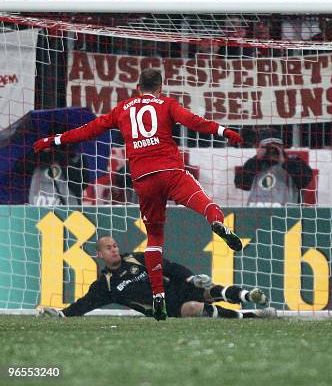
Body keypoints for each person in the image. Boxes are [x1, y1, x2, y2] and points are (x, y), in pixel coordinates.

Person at [34, 68, 245, 321]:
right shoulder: (167, 104)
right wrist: (224, 132)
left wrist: (54, 140)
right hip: (171, 172)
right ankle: (216, 223)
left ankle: (158, 297)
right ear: (160, 88)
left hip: (144, 180)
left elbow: (89, 130)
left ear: (137, 87)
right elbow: (194, 122)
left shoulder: (122, 109)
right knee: (207, 205)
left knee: (155, 239)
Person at [38, 236, 275, 319]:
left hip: (176, 289)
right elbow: (84, 304)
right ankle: (253, 314)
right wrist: (62, 313)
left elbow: (170, 267)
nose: (114, 249)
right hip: (164, 307)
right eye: (108, 248)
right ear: (99, 254)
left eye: (115, 245)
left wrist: (191, 278)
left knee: (208, 289)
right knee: (194, 307)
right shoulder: (105, 285)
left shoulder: (138, 258)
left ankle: (247, 295)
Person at [234, 128, 313, 206]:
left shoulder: (294, 162)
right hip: (257, 214)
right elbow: (240, 183)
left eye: (276, 146)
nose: (271, 150)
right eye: (267, 147)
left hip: (286, 215)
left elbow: (305, 181)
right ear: (259, 147)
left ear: (282, 147)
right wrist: (257, 159)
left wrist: (285, 161)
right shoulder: (254, 164)